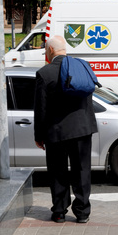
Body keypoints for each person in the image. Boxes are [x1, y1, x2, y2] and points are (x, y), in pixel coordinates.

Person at [34, 35, 98, 224]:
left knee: (57, 171)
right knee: (82, 170)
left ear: (51, 50)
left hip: (56, 132)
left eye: (46, 50)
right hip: (82, 129)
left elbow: (41, 108)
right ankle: (82, 212)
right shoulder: (83, 66)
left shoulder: (44, 73)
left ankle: (60, 212)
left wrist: (39, 135)